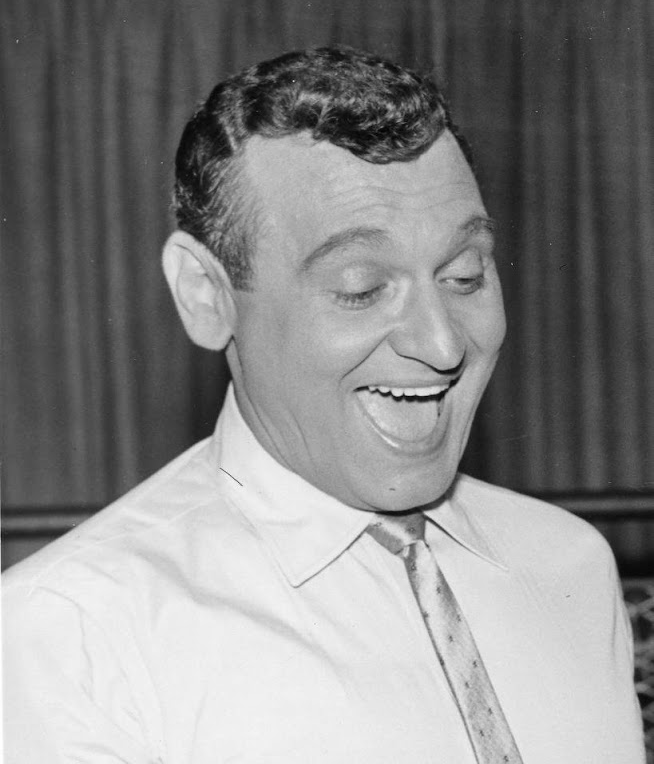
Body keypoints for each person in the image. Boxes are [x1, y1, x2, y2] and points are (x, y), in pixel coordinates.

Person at [3, 46, 645, 763]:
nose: (441, 344)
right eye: (361, 288)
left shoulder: (571, 566)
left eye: (465, 276)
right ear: (206, 295)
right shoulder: (77, 637)